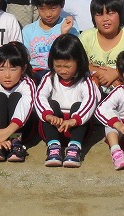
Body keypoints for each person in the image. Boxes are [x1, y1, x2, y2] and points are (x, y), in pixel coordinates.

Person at [34, 33, 100, 168]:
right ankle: (53, 147)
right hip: (53, 127)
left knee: (78, 105)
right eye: (58, 66)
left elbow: (90, 100)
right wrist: (49, 115)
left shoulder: (85, 80)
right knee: (51, 104)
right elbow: (39, 96)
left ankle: (74, 149)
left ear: (79, 62)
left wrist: (75, 119)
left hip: (77, 128)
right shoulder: (49, 77)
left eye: (67, 66)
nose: (62, 71)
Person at [0, 42, 36, 163]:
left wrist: (8, 132)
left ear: (23, 69)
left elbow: (26, 107)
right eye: (1, 69)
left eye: (13, 69)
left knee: (16, 96)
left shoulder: (27, 84)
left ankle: (16, 143)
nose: (7, 75)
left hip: (21, 129)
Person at [80, 0, 124, 91]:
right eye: (99, 14)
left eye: (111, 13)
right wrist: (100, 72)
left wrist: (117, 73)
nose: (105, 19)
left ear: (121, 14)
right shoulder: (86, 37)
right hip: (93, 89)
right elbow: (77, 63)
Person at [22, 0, 78, 79]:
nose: (48, 14)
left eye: (53, 8)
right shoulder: (28, 31)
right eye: (42, 9)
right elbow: (24, 59)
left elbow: (73, 56)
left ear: (62, 4)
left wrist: (64, 34)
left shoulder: (69, 26)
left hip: (61, 75)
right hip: (35, 75)